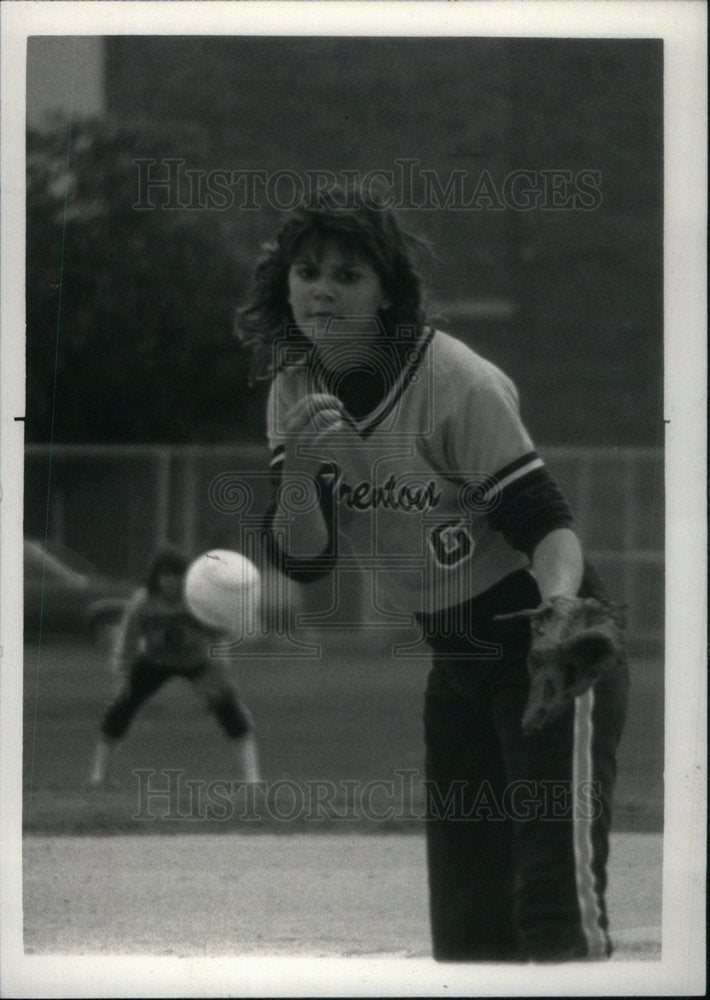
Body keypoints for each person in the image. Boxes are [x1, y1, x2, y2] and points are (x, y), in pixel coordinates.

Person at [238, 184, 628, 963]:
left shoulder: (455, 381)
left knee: (553, 911)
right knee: (470, 932)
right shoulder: (294, 388)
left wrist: (557, 615)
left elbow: (546, 521)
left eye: (348, 275)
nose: (321, 287)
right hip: (457, 663)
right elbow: (305, 559)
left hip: (546, 642)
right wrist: (301, 474)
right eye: (308, 269)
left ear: (386, 295)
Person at [89, 547, 261, 788]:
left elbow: (219, 637)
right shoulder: (143, 601)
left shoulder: (199, 600)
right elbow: (127, 641)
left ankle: (251, 779)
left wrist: (218, 672)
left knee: (232, 713)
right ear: (156, 577)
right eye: (165, 575)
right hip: (154, 662)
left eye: (178, 575)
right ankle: (100, 775)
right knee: (119, 711)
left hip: (197, 662)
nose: (171, 582)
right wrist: (123, 678)